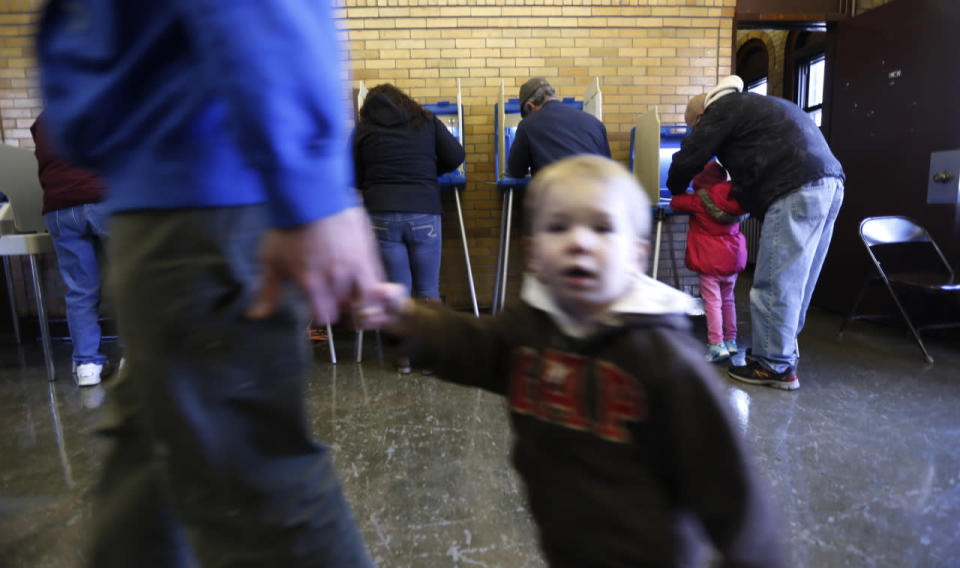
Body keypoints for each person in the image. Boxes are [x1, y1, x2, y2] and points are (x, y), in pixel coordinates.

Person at [38, 2, 380, 566]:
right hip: (222, 197)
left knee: (149, 473)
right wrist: (311, 189)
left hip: (156, 205)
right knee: (266, 491)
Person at [357, 155, 787, 568]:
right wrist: (404, 318)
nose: (579, 242)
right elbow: (470, 344)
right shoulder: (529, 329)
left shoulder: (663, 358)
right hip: (566, 547)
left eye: (602, 228)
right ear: (532, 252)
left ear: (637, 255)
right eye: (558, 227)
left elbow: (730, 487)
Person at [667, 75, 845, 391]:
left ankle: (772, 366)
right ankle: (784, 353)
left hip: (794, 186)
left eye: (695, 127)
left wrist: (676, 188)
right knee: (798, 279)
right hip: (830, 182)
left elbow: (689, 157)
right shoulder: (758, 104)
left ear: (699, 118)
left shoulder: (722, 108)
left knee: (774, 281)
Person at [353, 83, 465, 373]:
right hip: (424, 211)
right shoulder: (425, 120)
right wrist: (429, 172)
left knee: (397, 292)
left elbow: (353, 174)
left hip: (381, 215)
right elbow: (455, 156)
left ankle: (404, 358)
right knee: (429, 290)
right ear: (404, 101)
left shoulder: (364, 130)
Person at [31, 113, 112, 387]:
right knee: (129, 282)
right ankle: (135, 360)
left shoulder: (43, 120)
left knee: (80, 291)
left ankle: (87, 365)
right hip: (103, 198)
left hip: (59, 209)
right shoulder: (103, 100)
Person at [669, 160, 748, 363]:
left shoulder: (699, 200)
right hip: (732, 258)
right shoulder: (737, 198)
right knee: (728, 299)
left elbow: (675, 203)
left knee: (712, 302)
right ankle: (731, 340)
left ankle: (716, 344)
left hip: (710, 260)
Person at [506, 77, 611, 178]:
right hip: (598, 193)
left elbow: (515, 171)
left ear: (530, 106)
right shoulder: (595, 122)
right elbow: (608, 169)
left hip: (557, 193)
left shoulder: (527, 125)